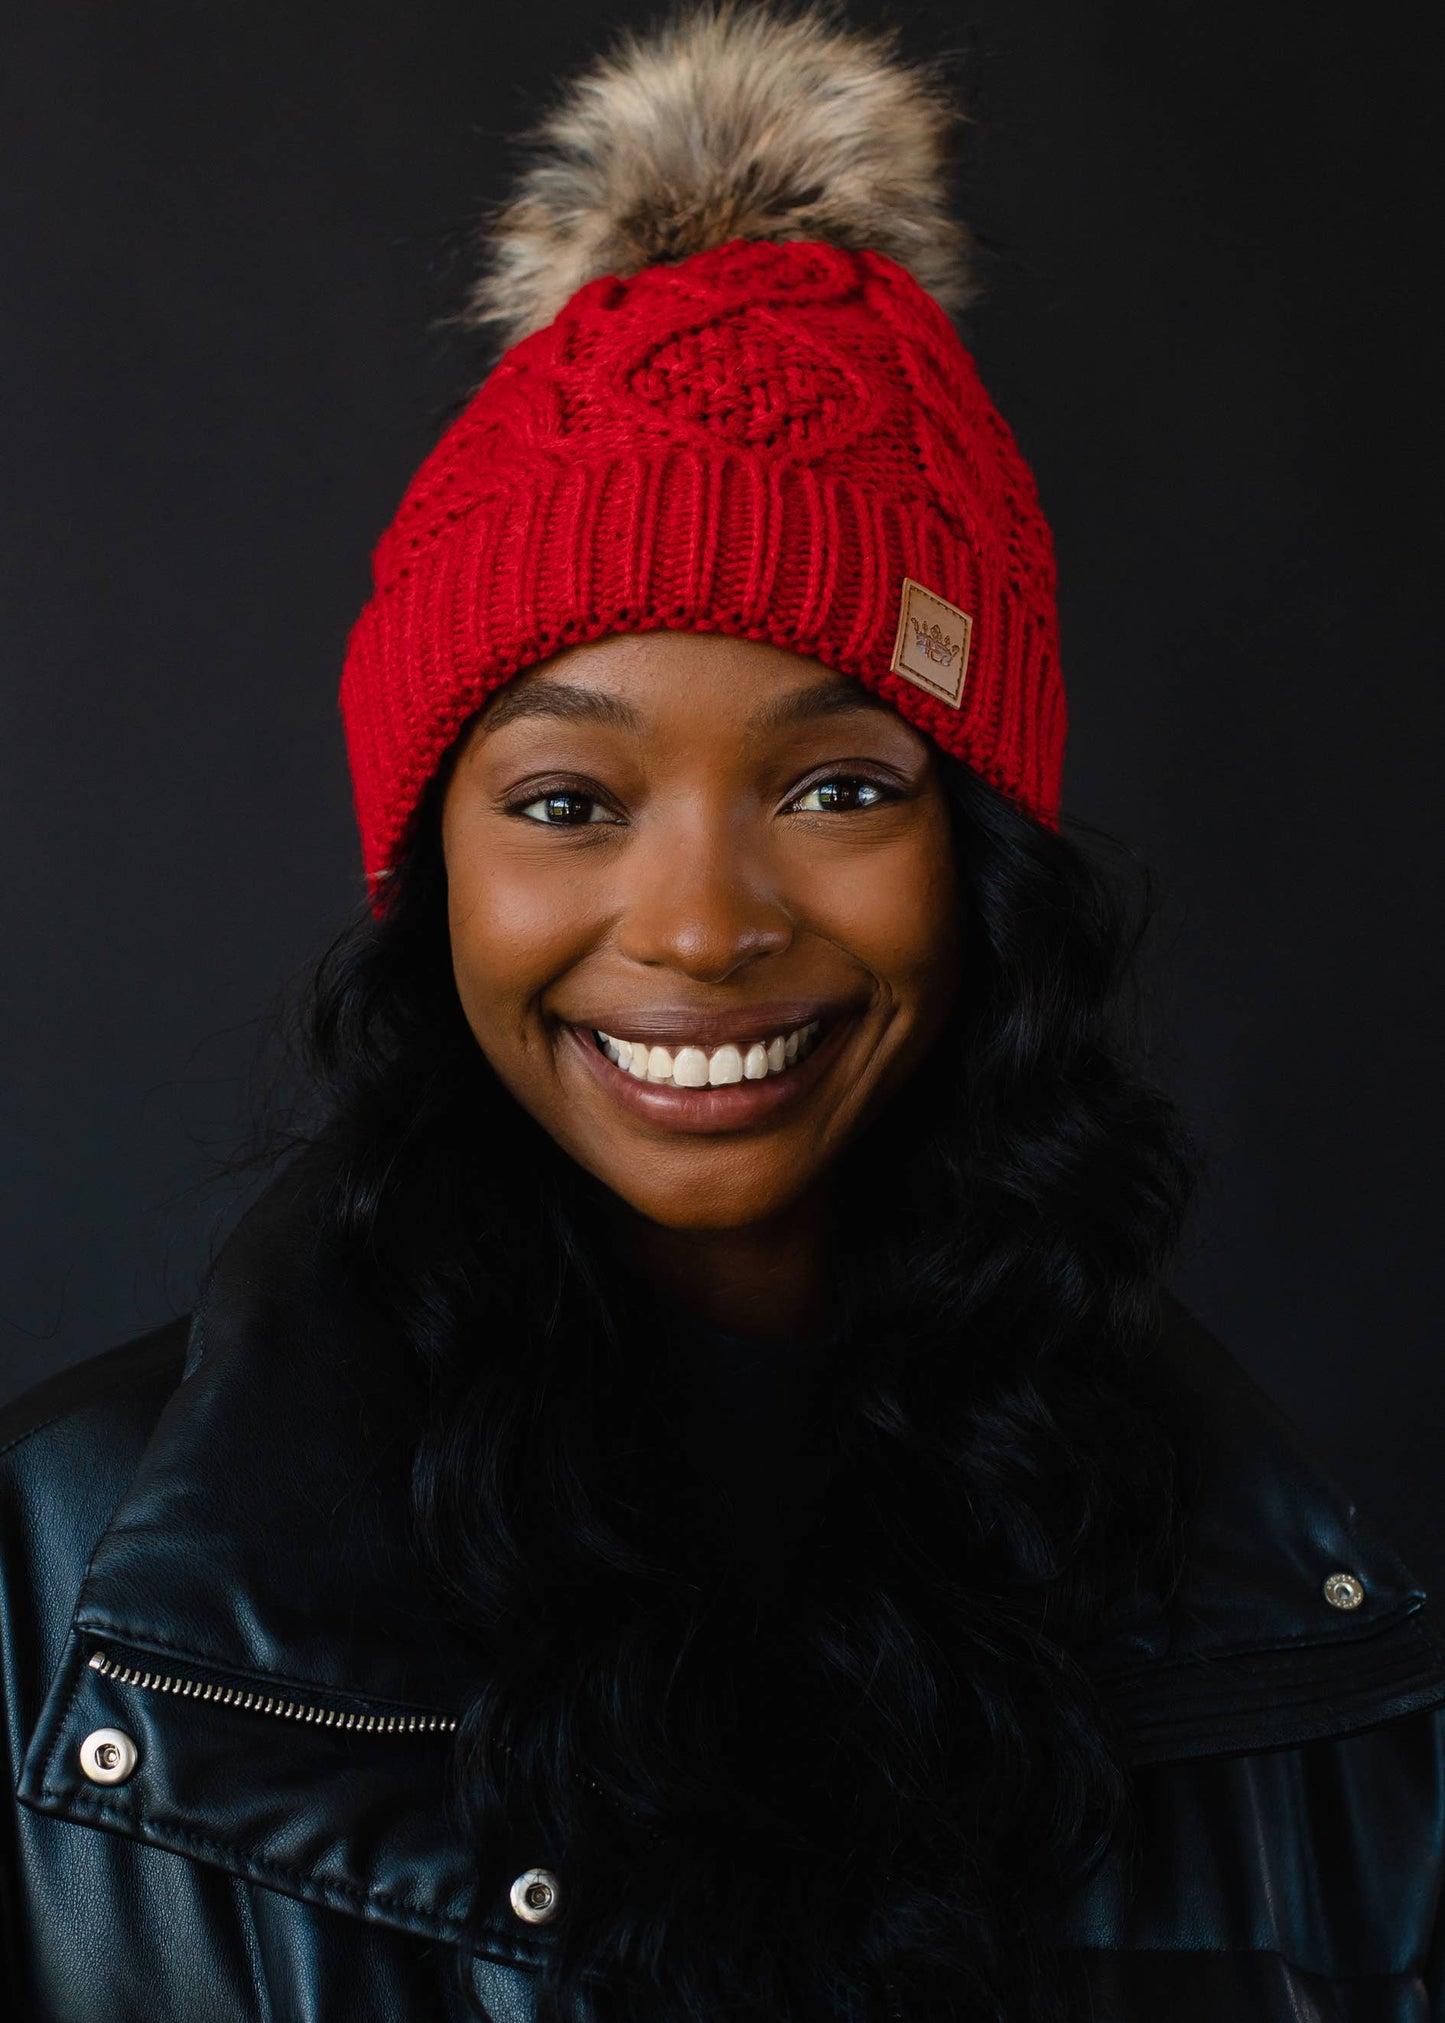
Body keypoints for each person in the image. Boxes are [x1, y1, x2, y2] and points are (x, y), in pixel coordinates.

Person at [3, 3, 1443, 2019]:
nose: (697, 925)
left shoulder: (1302, 1622)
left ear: (985, 857)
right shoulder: (60, 1601)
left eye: (839, 785)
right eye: (569, 802)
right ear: (433, 880)